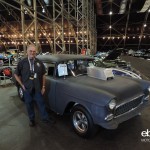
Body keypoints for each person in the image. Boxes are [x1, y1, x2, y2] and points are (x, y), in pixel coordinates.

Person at [14, 44, 55, 127]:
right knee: (29, 105)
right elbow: (16, 74)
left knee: (41, 104)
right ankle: (32, 120)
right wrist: (22, 85)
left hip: (37, 89)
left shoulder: (39, 63)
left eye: (34, 51)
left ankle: (45, 118)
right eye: (31, 51)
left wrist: (43, 87)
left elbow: (43, 75)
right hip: (27, 89)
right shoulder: (22, 62)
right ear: (27, 52)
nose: (32, 53)